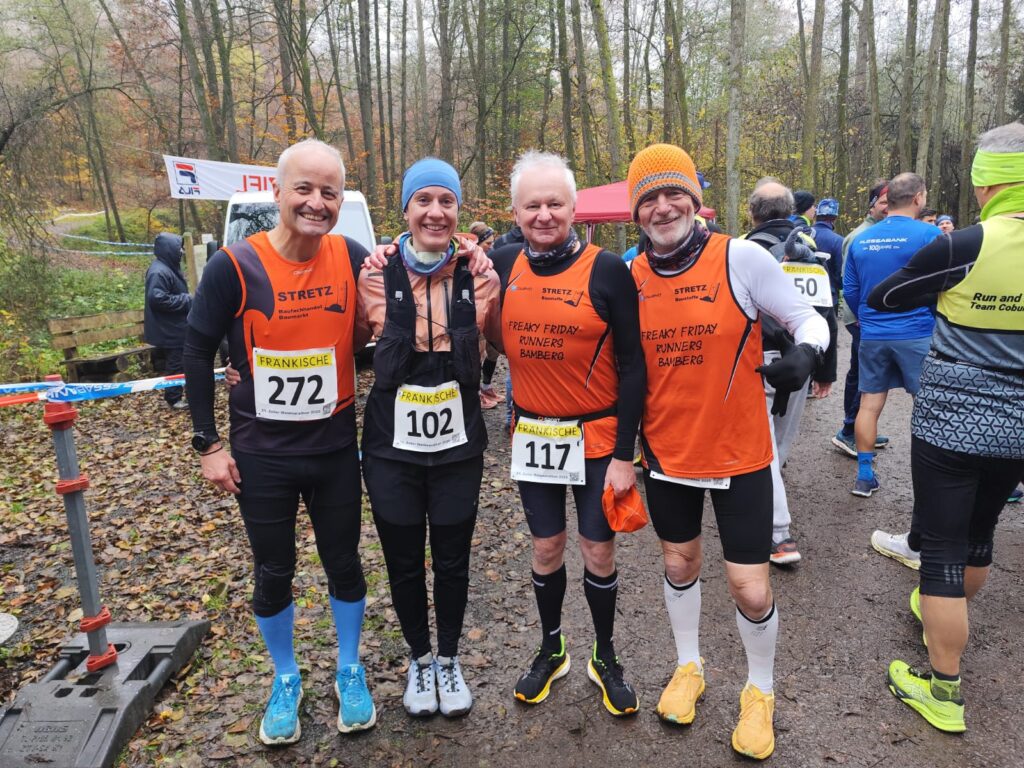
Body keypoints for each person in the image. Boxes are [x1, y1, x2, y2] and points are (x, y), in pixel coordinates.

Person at [627, 144, 828, 760]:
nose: (663, 208)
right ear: (636, 212)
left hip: (740, 455)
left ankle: (759, 691)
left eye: (674, 194)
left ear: (694, 199)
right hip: (667, 456)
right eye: (649, 199)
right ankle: (689, 666)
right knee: (680, 565)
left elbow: (807, 316)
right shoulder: (629, 274)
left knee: (750, 588)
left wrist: (806, 354)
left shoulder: (738, 257)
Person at [183, 139, 376, 744]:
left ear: (340, 201)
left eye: (329, 192)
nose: (317, 202)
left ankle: (349, 667)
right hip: (262, 455)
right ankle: (286, 676)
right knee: (274, 569)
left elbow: (400, 304)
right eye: (305, 189)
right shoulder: (234, 265)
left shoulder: (352, 254)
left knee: (344, 562)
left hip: (335, 447)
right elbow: (194, 351)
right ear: (277, 192)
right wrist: (207, 444)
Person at [872, 122, 1024, 734]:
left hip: (951, 424)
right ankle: (946, 611)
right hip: (1018, 430)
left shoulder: (965, 244)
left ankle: (943, 691)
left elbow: (885, 298)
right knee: (981, 534)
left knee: (939, 552)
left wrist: (947, 296)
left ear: (986, 184)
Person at [501, 151, 645, 717]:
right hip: (533, 435)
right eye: (532, 204)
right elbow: (432, 272)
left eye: (554, 203)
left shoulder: (608, 269)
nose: (543, 214)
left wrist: (624, 453)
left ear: (573, 207)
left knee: (597, 549)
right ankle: (552, 646)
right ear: (515, 211)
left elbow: (634, 367)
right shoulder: (502, 260)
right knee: (545, 547)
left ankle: (605, 654)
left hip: (596, 440)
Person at [359, 158, 502, 719]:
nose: (435, 212)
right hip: (391, 444)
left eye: (446, 201)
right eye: (424, 201)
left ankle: (448, 658)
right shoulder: (373, 272)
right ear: (405, 209)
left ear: (458, 211)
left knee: (452, 556)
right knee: (401, 558)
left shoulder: (481, 273)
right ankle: (418, 660)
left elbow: (511, 337)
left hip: (457, 444)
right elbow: (339, 341)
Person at [744, 179, 836, 565]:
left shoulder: (742, 252)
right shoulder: (810, 251)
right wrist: (824, 368)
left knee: (763, 446)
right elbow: (825, 313)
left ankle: (779, 534)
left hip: (758, 361)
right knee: (778, 443)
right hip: (802, 359)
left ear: (752, 214)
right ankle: (772, 504)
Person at [844, 172, 940, 497]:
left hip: (873, 333)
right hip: (917, 332)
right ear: (918, 198)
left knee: (869, 404)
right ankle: (934, 481)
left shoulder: (860, 239)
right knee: (927, 404)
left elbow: (851, 291)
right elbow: (943, 286)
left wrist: (868, 319)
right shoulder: (930, 235)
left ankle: (864, 475)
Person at [832, 181, 891, 456]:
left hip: (870, 317)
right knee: (864, 375)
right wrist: (859, 318)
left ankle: (860, 429)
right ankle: (848, 431)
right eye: (884, 203)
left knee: (865, 373)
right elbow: (848, 282)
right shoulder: (860, 236)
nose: (889, 208)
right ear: (872, 205)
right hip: (860, 318)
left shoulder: (882, 233)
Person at [144, 232, 192, 409]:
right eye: (178, 248)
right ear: (170, 250)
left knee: (179, 361)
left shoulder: (167, 267)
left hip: (174, 326)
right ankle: (174, 398)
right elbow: (157, 299)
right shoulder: (159, 271)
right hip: (169, 329)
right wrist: (187, 300)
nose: (181, 251)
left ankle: (178, 395)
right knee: (175, 363)